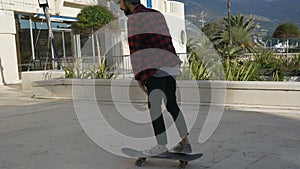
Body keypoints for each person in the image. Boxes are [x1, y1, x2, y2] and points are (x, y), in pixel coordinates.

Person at [118, 0, 192, 155]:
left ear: (126, 2)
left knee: (155, 107)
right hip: (170, 63)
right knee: (172, 104)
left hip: (155, 67)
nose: (120, 6)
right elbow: (168, 39)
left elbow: (135, 48)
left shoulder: (133, 19)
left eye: (120, 2)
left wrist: (139, 76)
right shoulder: (157, 14)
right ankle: (185, 143)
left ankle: (161, 147)